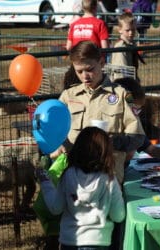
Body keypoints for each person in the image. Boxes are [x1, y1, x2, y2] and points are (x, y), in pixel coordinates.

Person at [54, 41, 146, 185]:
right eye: (79, 71)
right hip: (75, 179)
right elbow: (53, 131)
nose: (85, 76)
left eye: (90, 69)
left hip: (109, 179)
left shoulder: (122, 96)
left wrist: (109, 143)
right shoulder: (68, 97)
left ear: (102, 62)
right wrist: (58, 144)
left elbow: (138, 137)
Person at [36, 126, 125, 249]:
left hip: (70, 241)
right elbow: (118, 215)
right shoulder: (109, 180)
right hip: (99, 241)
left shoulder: (68, 175)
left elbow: (55, 208)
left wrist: (46, 182)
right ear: (106, 152)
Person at [111, 12, 145, 81]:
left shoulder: (130, 44)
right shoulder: (121, 47)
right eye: (127, 30)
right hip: (123, 85)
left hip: (130, 81)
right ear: (120, 30)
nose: (131, 33)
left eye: (133, 29)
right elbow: (121, 74)